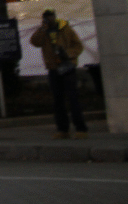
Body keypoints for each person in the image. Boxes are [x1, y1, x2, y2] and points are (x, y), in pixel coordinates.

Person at [30, 8, 88, 139]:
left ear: (54, 17)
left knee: (73, 98)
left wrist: (68, 54)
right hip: (53, 69)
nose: (48, 20)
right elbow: (34, 42)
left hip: (67, 67)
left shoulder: (65, 29)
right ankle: (62, 129)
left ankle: (81, 128)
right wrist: (42, 29)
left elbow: (78, 46)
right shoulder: (43, 31)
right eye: (45, 18)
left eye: (50, 17)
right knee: (58, 101)